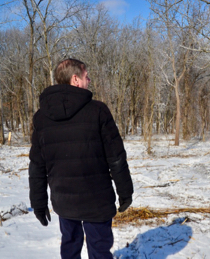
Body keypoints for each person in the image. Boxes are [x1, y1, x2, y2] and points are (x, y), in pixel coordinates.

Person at [28, 58, 133, 259]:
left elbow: (36, 166)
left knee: (69, 248)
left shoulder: (41, 117)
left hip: (64, 202)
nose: (90, 80)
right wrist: (125, 191)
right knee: (100, 251)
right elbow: (116, 157)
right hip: (97, 201)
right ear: (75, 79)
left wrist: (38, 202)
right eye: (87, 76)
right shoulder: (98, 110)